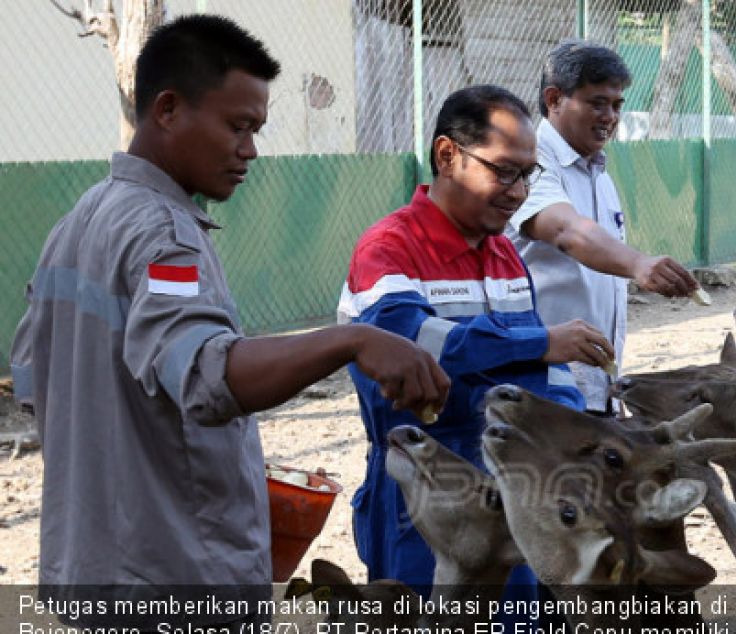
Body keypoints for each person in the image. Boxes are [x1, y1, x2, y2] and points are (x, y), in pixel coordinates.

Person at [9, 15, 449, 632]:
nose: (250, 150)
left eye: (256, 129)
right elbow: (207, 374)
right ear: (167, 109)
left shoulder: (79, 220)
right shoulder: (165, 236)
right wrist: (351, 338)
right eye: (237, 127)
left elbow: (36, 384)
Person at [337, 85, 614, 594]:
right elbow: (410, 345)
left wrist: (572, 432)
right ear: (448, 155)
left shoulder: (506, 256)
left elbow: (550, 375)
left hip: (512, 489)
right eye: (504, 171)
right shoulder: (387, 248)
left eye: (528, 175)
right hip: (422, 495)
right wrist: (531, 345)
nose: (517, 191)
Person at [506, 40, 700, 415]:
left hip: (596, 387)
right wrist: (639, 264)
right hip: (542, 387)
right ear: (554, 99)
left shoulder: (598, 173)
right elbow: (565, 231)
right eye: (596, 103)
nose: (610, 116)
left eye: (616, 105)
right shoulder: (530, 162)